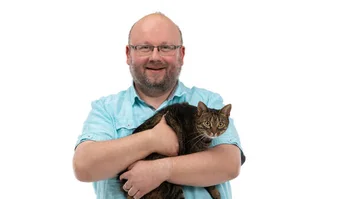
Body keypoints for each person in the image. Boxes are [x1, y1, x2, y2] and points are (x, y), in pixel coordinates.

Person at [72, 12, 246, 199]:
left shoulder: (208, 101)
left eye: (166, 47)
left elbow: (229, 164)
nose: (155, 56)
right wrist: (153, 139)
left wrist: (162, 169)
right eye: (144, 47)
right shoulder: (106, 109)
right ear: (129, 54)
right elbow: (84, 167)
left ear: (181, 54)